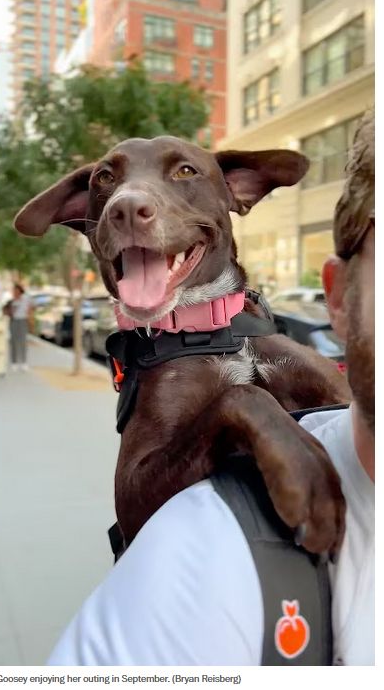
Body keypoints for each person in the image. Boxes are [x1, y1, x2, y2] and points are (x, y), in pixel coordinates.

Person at [47, 112, 374, 667]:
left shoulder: (274, 344)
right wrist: (242, 407)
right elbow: (138, 511)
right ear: (85, 217)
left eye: (183, 172)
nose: (131, 199)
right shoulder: (158, 376)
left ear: (234, 194)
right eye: (109, 184)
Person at [5, 283, 34, 372]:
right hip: (14, 321)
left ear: (20, 290)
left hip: (23, 321)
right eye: (14, 290)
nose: (14, 292)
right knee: (13, 341)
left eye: (16, 290)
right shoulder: (12, 300)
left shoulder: (26, 298)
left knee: (22, 342)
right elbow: (7, 311)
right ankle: (14, 362)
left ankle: (23, 362)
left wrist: (29, 317)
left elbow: (31, 307)